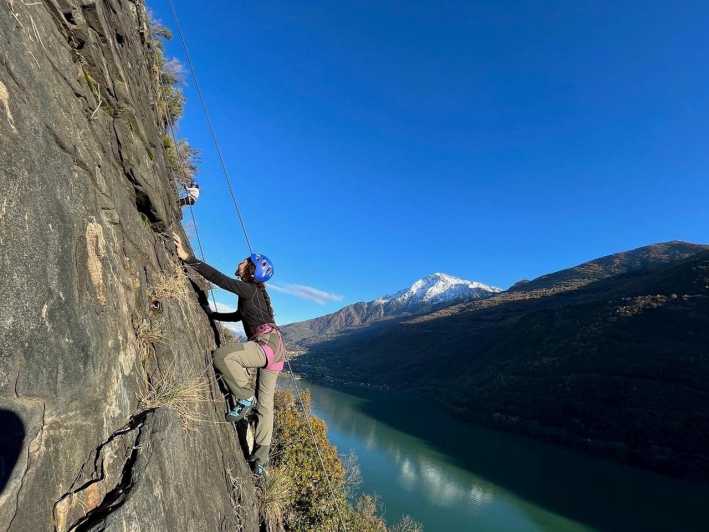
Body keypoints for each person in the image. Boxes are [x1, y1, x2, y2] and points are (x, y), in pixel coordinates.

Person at [173, 233, 285, 476]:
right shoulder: (252, 294)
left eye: (246, 260)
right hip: (276, 348)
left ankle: (244, 398)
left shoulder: (248, 289)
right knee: (266, 408)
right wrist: (212, 315)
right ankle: (260, 461)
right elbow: (238, 317)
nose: (241, 261)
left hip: (266, 344)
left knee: (223, 357)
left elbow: (219, 279)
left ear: (251, 270)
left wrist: (188, 258)